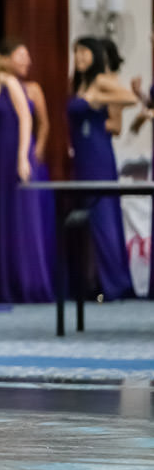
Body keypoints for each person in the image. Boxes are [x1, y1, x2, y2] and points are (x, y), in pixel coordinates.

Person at [0, 49, 53, 303]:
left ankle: (25, 281)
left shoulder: (10, 83)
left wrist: (23, 157)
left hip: (14, 154)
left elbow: (26, 119)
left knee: (20, 216)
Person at [67, 36, 137, 300]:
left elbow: (128, 97)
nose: (80, 58)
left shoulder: (99, 81)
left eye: (84, 53)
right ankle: (91, 281)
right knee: (86, 217)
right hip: (82, 154)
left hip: (98, 153)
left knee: (102, 216)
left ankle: (112, 283)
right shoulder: (79, 82)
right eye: (76, 53)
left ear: (95, 56)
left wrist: (97, 99)